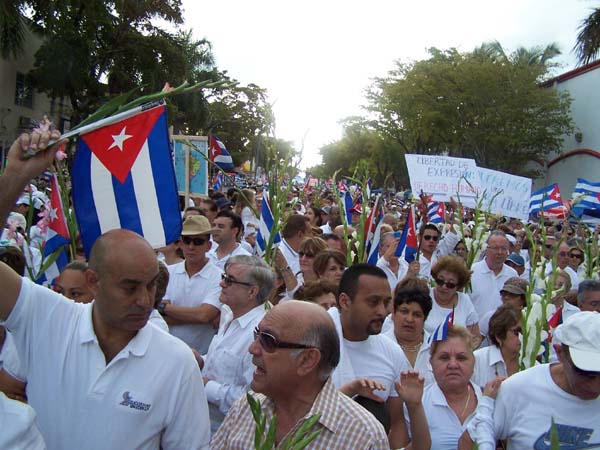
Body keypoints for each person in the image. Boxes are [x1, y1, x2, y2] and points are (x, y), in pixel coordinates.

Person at [0, 126, 210, 449]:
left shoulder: (178, 363)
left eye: (151, 286)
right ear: (93, 282)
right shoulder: (47, 319)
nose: (145, 300)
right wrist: (16, 174)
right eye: (129, 287)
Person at [211, 300, 391, 449]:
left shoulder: (363, 437)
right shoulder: (246, 407)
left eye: (268, 340)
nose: (253, 348)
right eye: (257, 335)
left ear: (307, 360)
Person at [463, 312, 600, 450]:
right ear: (560, 353)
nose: (595, 386)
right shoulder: (518, 389)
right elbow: (469, 441)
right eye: (585, 373)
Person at [330, 264, 430, 449]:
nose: (382, 312)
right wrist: (351, 390)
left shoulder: (392, 353)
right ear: (344, 301)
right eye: (373, 302)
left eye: (386, 302)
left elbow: (396, 423)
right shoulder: (316, 343)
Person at [200, 255, 274, 434]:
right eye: (223, 277)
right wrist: (199, 360)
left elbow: (256, 398)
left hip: (230, 433)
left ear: (252, 292)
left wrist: (207, 386)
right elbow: (222, 361)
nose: (222, 284)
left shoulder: (260, 334)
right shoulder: (228, 313)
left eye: (229, 280)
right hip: (204, 424)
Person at [162, 215, 222, 353]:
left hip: (200, 356)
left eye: (198, 241)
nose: (191, 246)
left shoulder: (219, 277)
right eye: (187, 240)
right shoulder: (168, 272)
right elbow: (160, 317)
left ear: (208, 246)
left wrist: (164, 308)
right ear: (181, 244)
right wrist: (198, 317)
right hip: (168, 352)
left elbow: (204, 315)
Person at [421, 325, 483, 450]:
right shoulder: (418, 403)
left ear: (473, 361)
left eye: (461, 358)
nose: (453, 365)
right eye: (444, 358)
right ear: (431, 362)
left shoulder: (488, 400)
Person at [384, 286, 435, 386]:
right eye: (404, 312)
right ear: (393, 313)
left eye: (416, 315)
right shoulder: (380, 346)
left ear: (425, 318)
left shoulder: (436, 347)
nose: (409, 319)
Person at [426, 256, 480, 342]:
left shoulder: (465, 300)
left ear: (458, 286)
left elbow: (475, 337)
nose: (444, 287)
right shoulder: (425, 295)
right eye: (440, 281)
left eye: (450, 284)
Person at [470, 231, 518, 323]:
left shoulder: (512, 275)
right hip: (475, 332)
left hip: (501, 333)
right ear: (486, 249)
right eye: (495, 248)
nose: (500, 252)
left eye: (503, 248)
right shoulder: (472, 271)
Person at [472, 304, 522, 388]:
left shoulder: (533, 365)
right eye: (517, 332)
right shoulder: (476, 360)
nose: (522, 336)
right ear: (499, 336)